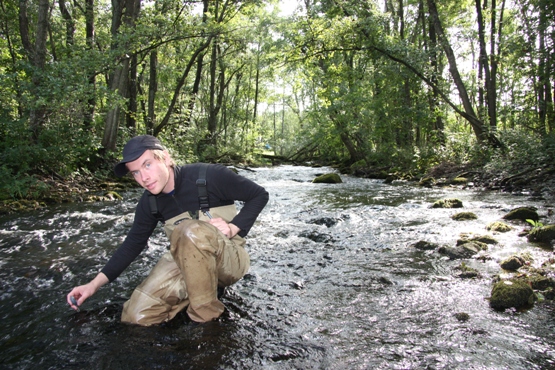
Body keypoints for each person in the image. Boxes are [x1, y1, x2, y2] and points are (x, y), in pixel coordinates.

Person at [66, 135, 269, 325]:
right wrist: (93, 285)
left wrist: (233, 228)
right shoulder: (149, 204)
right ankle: (188, 298)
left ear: (166, 158)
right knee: (135, 316)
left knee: (189, 230)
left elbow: (259, 195)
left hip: (229, 260)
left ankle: (207, 322)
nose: (143, 177)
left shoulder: (210, 176)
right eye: (135, 172)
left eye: (147, 165)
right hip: (186, 263)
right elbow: (132, 245)